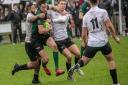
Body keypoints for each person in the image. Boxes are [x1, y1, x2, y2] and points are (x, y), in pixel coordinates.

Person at [68, 0, 120, 85]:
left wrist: (85, 43)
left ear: (89, 3)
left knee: (84, 61)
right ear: (98, 1)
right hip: (104, 42)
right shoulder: (103, 12)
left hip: (92, 43)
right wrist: (115, 37)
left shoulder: (86, 16)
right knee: (111, 60)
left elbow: (84, 34)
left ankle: (76, 66)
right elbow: (109, 26)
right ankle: (115, 83)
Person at [48, 0, 84, 80]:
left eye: (65, 4)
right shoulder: (52, 12)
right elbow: (47, 7)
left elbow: (63, 20)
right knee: (69, 56)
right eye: (61, 4)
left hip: (66, 39)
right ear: (58, 4)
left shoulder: (66, 14)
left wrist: (52, 21)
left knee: (78, 54)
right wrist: (53, 8)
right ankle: (70, 76)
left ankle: (77, 68)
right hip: (58, 41)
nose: (63, 5)